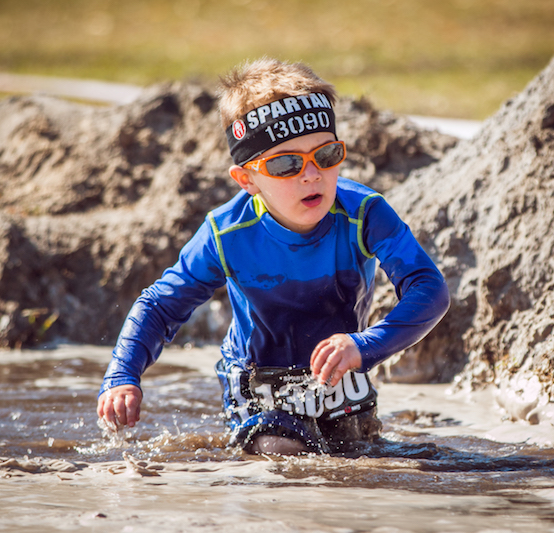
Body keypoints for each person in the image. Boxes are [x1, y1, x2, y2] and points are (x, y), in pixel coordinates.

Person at [97, 58, 450, 455]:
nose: (312, 175)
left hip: (342, 375)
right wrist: (122, 375)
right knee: (280, 449)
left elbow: (428, 288)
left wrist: (366, 346)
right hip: (258, 383)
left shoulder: (364, 213)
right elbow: (160, 306)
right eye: (286, 163)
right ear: (247, 179)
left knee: (356, 459)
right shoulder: (226, 233)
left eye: (327, 155)